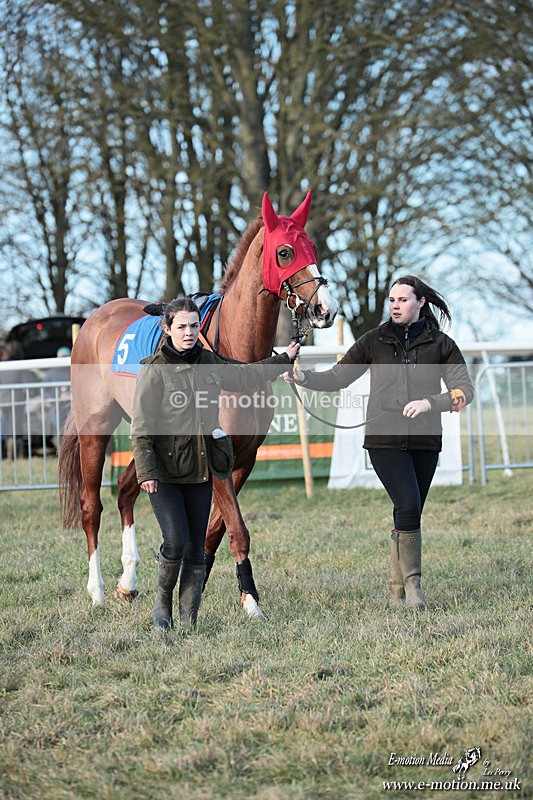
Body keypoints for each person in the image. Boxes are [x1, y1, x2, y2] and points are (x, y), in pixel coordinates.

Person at [284, 275, 473, 610]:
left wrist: (431, 403)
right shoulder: (374, 340)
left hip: (426, 441)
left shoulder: (441, 344)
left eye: (403, 300)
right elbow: (339, 377)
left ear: (420, 303)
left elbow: (464, 392)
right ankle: (413, 588)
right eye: (392, 300)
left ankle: (396, 590)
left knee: (408, 510)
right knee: (409, 505)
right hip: (383, 439)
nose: (395, 306)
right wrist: (304, 377)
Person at [131, 297, 300, 631]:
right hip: (165, 474)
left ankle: (189, 620)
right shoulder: (154, 370)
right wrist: (146, 471)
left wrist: (283, 359)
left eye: (194, 326)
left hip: (201, 471)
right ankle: (162, 609)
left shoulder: (209, 362)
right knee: (175, 542)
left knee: (196, 548)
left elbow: (246, 375)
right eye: (181, 326)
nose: (188, 332)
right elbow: (141, 427)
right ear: (168, 329)